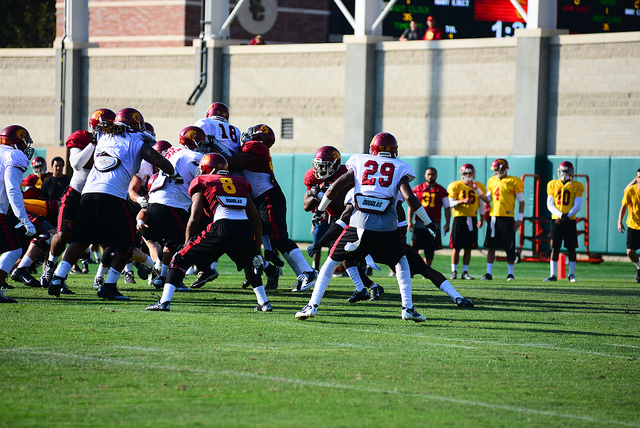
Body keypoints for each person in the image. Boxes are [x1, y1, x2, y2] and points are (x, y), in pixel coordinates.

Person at [295, 132, 436, 322]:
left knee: (332, 260)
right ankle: (408, 307)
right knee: (401, 259)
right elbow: (410, 198)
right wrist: (427, 222)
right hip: (387, 224)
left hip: (359, 221)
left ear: (372, 149)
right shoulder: (401, 167)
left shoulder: (359, 161)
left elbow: (333, 188)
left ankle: (312, 306)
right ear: (394, 151)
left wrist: (320, 209)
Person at [47, 107, 178, 300]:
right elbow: (158, 160)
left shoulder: (103, 136)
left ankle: (58, 278)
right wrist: (174, 173)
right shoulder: (136, 140)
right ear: (135, 125)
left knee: (80, 239)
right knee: (127, 244)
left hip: (88, 194)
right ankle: (108, 286)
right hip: (111, 196)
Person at [146, 153, 271, 312]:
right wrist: (256, 251)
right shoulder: (240, 182)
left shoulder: (202, 180)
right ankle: (264, 303)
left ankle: (164, 302)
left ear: (207, 169)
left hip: (221, 227)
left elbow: (194, 218)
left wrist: (186, 244)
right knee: (249, 262)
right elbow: (257, 221)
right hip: (244, 229)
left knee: (178, 260)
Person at [228, 124, 317, 292]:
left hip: (268, 197)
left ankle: (308, 272)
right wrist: (268, 249)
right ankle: (302, 276)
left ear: (259, 138)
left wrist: (215, 154)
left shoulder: (256, 146)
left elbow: (235, 162)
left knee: (281, 239)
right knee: (272, 236)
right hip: (263, 198)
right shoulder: (257, 148)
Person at [40, 108, 116, 289]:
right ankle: (50, 265)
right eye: (104, 126)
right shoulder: (82, 138)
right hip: (76, 193)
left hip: (97, 196)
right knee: (64, 234)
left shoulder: (114, 142)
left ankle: (61, 276)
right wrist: (93, 144)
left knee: (82, 240)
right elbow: (76, 163)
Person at [0, 125, 37, 303]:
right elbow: (13, 189)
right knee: (13, 249)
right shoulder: (13, 155)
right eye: (24, 142)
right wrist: (25, 219)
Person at [544, 161, 584, 282]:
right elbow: (549, 204)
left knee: (571, 248)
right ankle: (553, 275)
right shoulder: (552, 184)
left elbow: (578, 205)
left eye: (567, 171)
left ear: (571, 172)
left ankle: (571, 275)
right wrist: (561, 215)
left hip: (569, 221)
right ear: (558, 171)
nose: (564, 173)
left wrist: (566, 216)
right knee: (555, 248)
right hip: (557, 220)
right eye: (563, 171)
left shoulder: (577, 185)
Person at [447, 164, 489, 280]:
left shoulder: (478, 186)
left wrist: (481, 218)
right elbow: (449, 203)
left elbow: (482, 204)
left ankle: (465, 272)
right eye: (466, 173)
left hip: (472, 217)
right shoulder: (455, 185)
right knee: (456, 247)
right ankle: (454, 271)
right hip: (459, 218)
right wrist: (461, 201)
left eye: (470, 173)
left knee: (468, 247)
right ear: (462, 174)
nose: (468, 176)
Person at [408, 167, 451, 266]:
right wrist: (409, 221)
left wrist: (447, 223)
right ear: (425, 175)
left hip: (434, 224)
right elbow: (411, 207)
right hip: (419, 223)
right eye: (428, 174)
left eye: (432, 174)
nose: (430, 176)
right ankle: (413, 269)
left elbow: (447, 208)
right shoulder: (418, 189)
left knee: (430, 249)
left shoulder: (441, 190)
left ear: (436, 175)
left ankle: (426, 270)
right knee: (414, 248)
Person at [618, 168, 640, 282]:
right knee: (630, 252)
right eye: (639, 177)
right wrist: (619, 221)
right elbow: (625, 195)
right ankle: (639, 267)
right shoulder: (632, 190)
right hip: (633, 225)